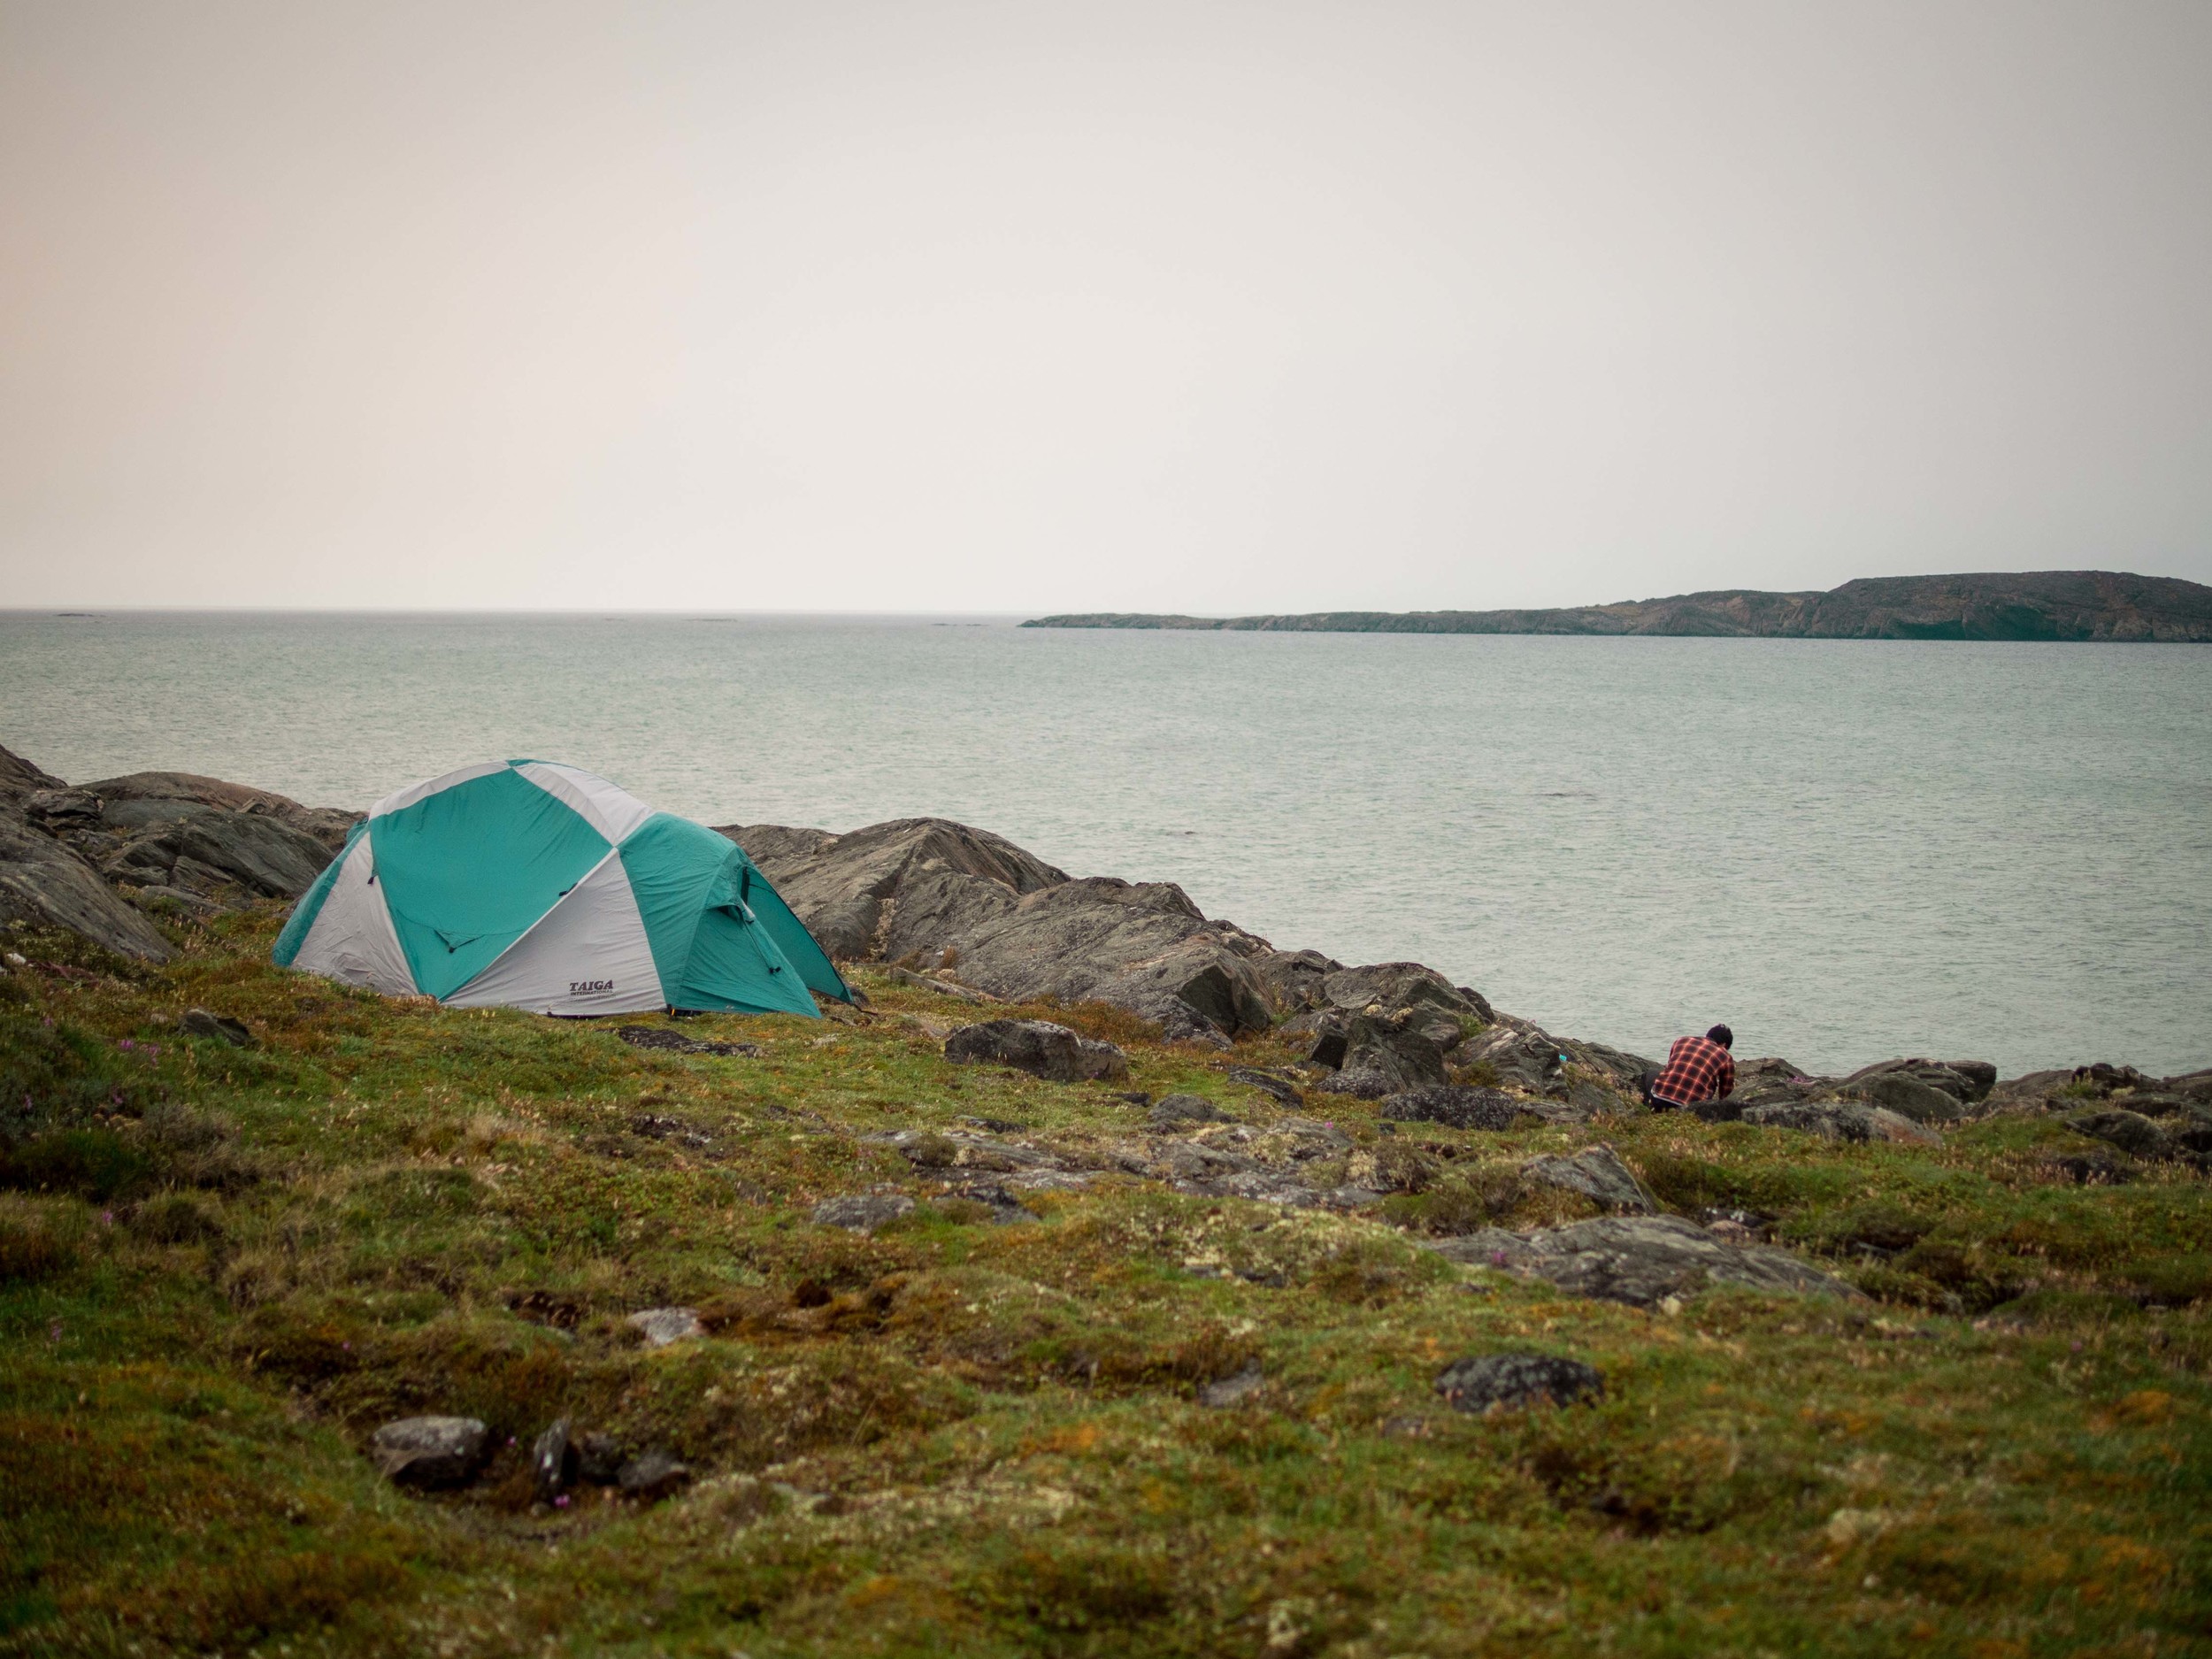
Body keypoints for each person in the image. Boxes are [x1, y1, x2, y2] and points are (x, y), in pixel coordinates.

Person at [1645, 1023, 1735, 1110]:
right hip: (1692, 1108)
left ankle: (1646, 1111)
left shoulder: (1681, 1041)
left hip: (1659, 1099)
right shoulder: (1726, 1057)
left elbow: (1670, 1067)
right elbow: (1726, 1095)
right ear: (1724, 1045)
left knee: (1650, 1073)